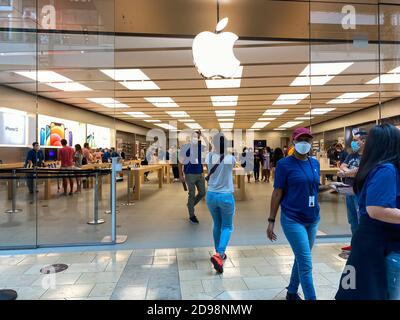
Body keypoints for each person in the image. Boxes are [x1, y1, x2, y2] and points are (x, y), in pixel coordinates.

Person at [335, 124, 400, 300]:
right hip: (378, 246)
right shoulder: (386, 170)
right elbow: (377, 210)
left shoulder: (375, 167)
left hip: (371, 243)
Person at [266, 127, 320, 300]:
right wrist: (271, 220)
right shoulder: (284, 164)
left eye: (307, 140)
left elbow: (314, 188)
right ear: (293, 142)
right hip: (292, 219)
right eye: (301, 139)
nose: (305, 143)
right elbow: (277, 193)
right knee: (305, 263)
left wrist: (333, 188)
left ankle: (291, 292)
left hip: (312, 218)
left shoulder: (314, 163)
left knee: (301, 256)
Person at [206, 132, 236, 274]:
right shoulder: (230, 158)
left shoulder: (209, 156)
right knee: (227, 226)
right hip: (225, 196)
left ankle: (218, 253)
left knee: (217, 224)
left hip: (211, 195)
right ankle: (220, 253)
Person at [337, 131, 367, 252]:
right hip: (349, 191)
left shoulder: (368, 156)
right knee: (352, 219)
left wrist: (345, 173)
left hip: (360, 192)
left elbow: (361, 170)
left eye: (356, 140)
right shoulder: (351, 155)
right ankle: (354, 243)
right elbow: (342, 165)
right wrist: (347, 171)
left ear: (363, 141)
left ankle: (362, 246)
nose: (353, 143)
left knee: (361, 219)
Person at [179, 131, 208, 224]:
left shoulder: (200, 147)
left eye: (197, 137)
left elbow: (210, 147)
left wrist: (203, 135)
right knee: (191, 194)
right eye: (194, 137)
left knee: (203, 192)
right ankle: (192, 215)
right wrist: (180, 175)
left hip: (199, 173)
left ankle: (190, 205)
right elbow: (180, 162)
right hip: (189, 174)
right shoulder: (185, 147)